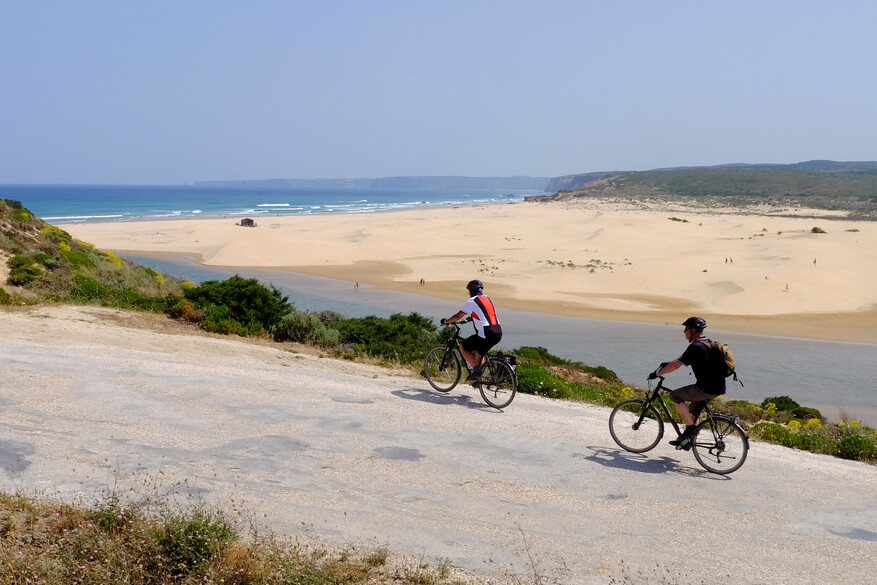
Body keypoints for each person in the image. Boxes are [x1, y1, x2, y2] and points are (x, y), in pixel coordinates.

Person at [649, 317, 726, 449]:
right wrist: (667, 364)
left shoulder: (695, 347)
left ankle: (691, 429)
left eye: (686, 329)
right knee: (692, 411)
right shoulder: (708, 344)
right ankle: (686, 440)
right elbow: (679, 360)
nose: (684, 332)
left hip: (705, 388)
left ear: (693, 330)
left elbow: (676, 365)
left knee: (675, 396)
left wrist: (658, 373)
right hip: (718, 387)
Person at [441, 279, 503, 381]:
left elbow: (458, 316)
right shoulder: (488, 298)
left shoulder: (472, 301)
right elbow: (483, 314)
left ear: (471, 291)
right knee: (479, 353)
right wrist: (470, 319)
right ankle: (482, 379)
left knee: (463, 348)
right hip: (497, 332)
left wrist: (447, 321)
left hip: (486, 333)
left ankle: (477, 371)